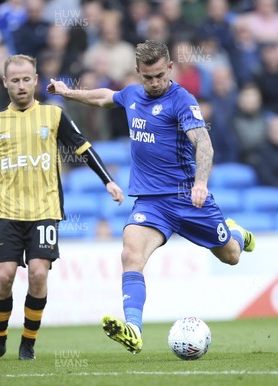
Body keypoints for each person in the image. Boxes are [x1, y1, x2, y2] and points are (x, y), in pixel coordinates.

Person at [47, 40, 255, 354]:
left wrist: (201, 183)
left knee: (231, 256)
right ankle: (133, 329)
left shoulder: (182, 100)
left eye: (160, 75)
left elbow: (204, 144)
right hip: (151, 202)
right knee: (130, 255)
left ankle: (236, 231)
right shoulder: (132, 94)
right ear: (138, 73)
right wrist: (67, 92)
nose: (155, 82)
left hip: (188, 198)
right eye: (148, 77)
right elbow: (105, 97)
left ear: (170, 68)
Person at [0, 54, 123, 361]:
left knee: (38, 274)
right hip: (8, 212)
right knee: (4, 277)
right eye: (15, 80)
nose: (22, 85)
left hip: (45, 210)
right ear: (5, 83)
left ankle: (28, 343)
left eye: (27, 79)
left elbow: (83, 148)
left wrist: (109, 181)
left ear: (36, 80)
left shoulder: (53, 115)